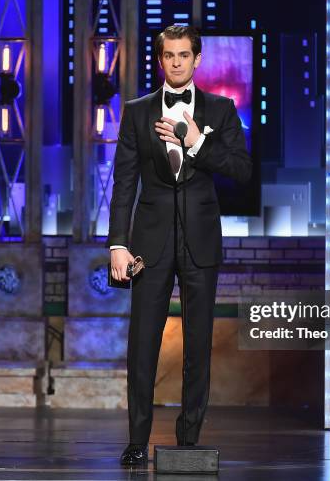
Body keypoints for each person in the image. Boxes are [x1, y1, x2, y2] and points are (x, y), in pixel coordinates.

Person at [107, 25, 252, 466]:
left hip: (200, 243)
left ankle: (188, 442)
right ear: (159, 59)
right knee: (143, 344)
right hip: (149, 246)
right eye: (168, 55)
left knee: (198, 346)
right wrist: (117, 244)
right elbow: (124, 183)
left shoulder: (221, 109)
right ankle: (136, 440)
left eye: (184, 55)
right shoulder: (136, 112)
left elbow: (241, 170)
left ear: (197, 59)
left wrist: (197, 141)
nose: (176, 62)